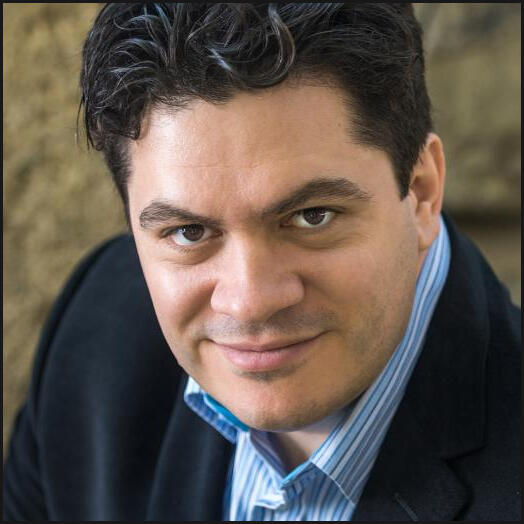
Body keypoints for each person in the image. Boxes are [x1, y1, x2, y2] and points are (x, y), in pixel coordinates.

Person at [3, 3, 520, 521]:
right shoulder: (94, 340)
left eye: (312, 217)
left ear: (422, 191)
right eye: (189, 232)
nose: (250, 302)